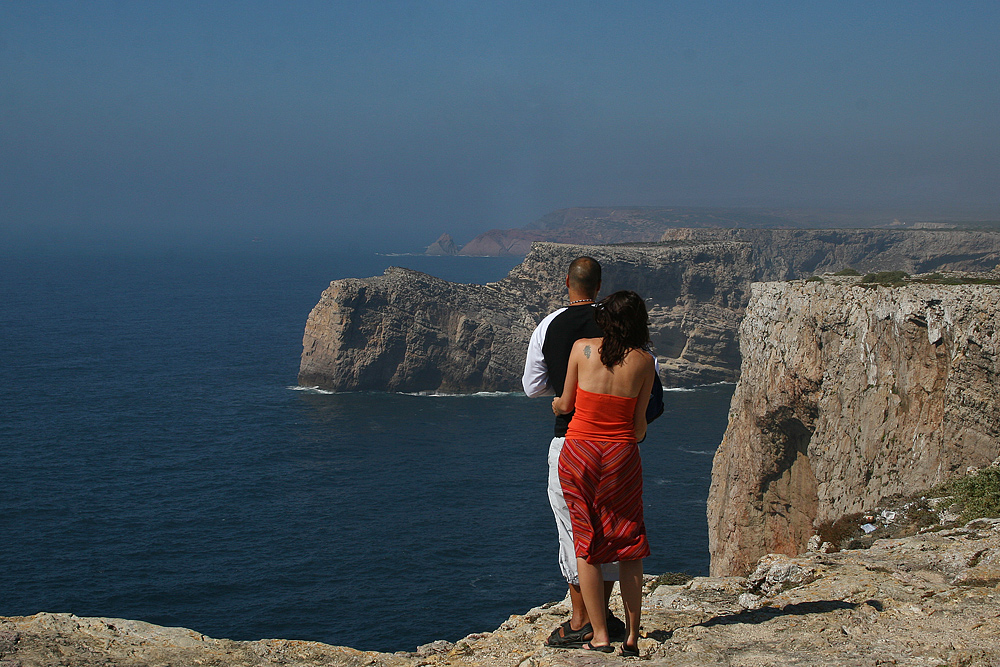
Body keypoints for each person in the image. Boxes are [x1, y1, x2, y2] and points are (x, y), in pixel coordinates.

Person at [522, 256, 625, 648]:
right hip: (616, 442)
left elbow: (533, 386)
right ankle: (606, 615)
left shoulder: (549, 325)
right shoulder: (619, 324)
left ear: (568, 283)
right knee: (610, 526)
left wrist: (568, 389)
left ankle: (582, 618)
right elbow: (645, 374)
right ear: (599, 287)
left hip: (571, 440)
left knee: (573, 529)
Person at [551, 290, 654, 655]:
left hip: (579, 453)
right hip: (621, 457)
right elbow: (639, 427)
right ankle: (632, 636)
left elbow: (565, 403)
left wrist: (555, 405)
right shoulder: (645, 362)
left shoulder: (582, 349)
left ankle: (599, 635)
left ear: (604, 319)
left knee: (586, 539)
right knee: (629, 542)